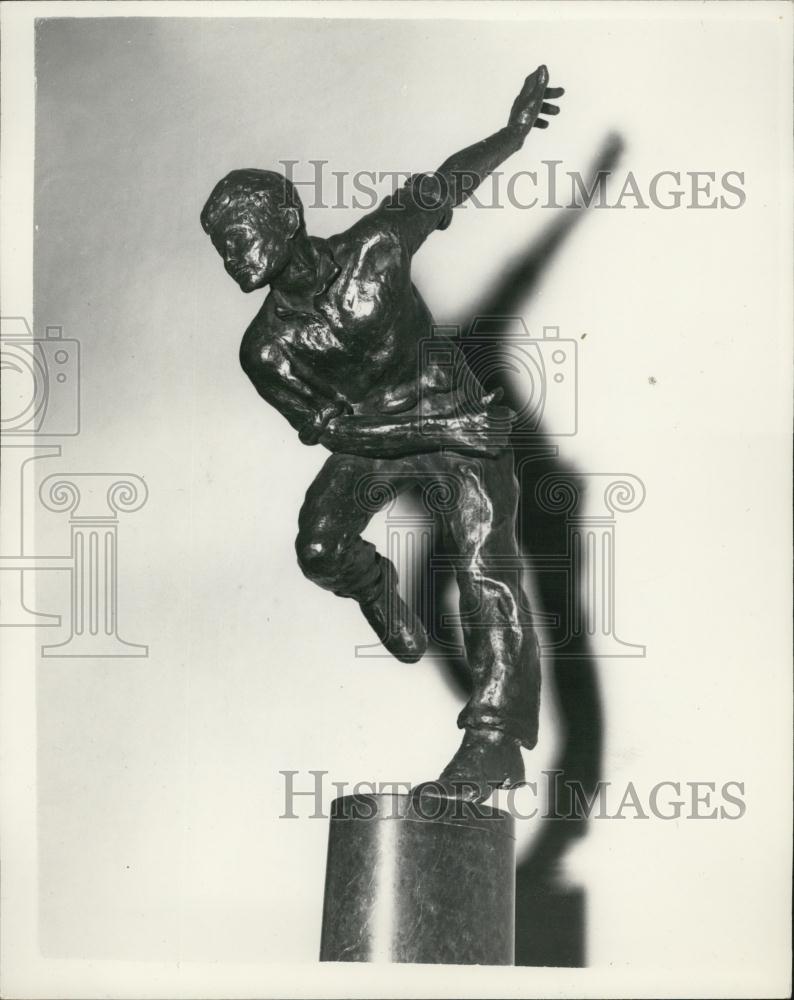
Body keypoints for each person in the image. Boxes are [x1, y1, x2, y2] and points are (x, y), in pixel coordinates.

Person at [201, 66, 564, 801]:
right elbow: (343, 427)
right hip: (393, 433)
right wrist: (443, 426)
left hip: (448, 410)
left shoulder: (377, 249)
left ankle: (495, 741)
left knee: (487, 562)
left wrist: (515, 132)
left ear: (286, 219)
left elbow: (445, 184)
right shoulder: (266, 350)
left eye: (240, 239)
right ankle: (376, 588)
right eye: (224, 250)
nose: (234, 259)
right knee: (319, 547)